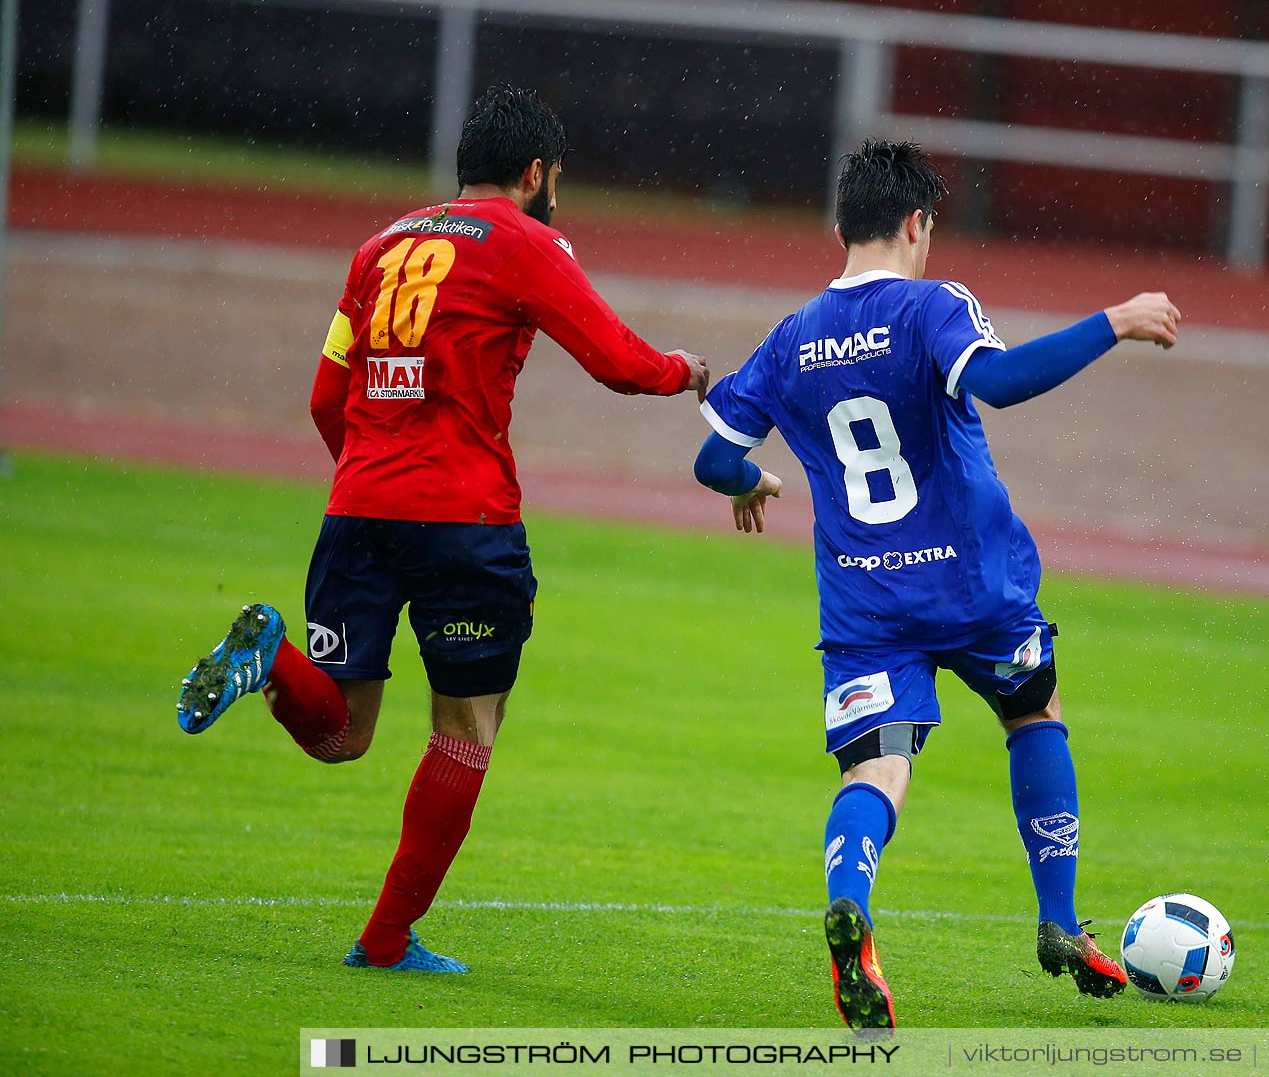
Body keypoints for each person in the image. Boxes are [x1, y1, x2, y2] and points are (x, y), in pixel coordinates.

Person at [174, 83, 710, 973]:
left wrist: (371, 469)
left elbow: (324, 397)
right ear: (536, 173)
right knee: (464, 732)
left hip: (357, 507)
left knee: (342, 732)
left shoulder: (379, 245)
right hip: (465, 521)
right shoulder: (527, 243)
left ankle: (272, 661)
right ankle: (385, 940)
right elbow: (616, 362)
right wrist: (681, 371)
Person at [691, 139, 1181, 1029]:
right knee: (1035, 716)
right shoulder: (931, 306)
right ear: (918, 223)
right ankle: (1062, 922)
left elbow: (713, 456)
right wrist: (1113, 319)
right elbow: (997, 382)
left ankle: (854, 907)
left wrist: (752, 483)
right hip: (976, 587)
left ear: (840, 226)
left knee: (878, 767)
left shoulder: (790, 338)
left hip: (867, 606)